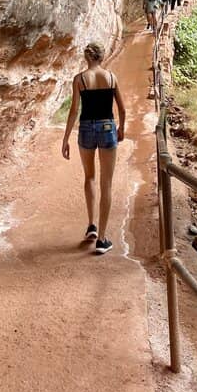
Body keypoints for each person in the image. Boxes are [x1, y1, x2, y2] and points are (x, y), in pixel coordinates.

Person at [61, 42, 126, 255]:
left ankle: (91, 225)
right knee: (106, 183)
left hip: (86, 128)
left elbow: (73, 111)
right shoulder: (111, 77)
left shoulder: (79, 79)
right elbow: (122, 109)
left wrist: (65, 138)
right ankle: (102, 239)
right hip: (107, 126)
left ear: (86, 57)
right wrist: (121, 128)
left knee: (89, 177)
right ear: (102, 56)